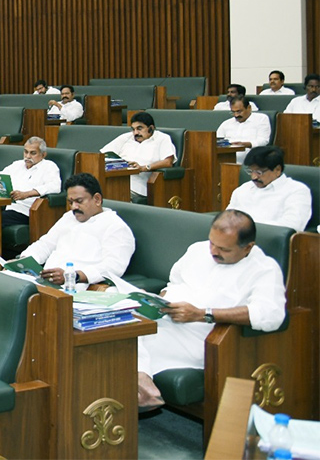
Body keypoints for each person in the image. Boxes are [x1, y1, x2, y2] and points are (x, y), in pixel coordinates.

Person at [135, 210, 286, 410]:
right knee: (116, 320)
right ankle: (140, 378)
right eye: (212, 243)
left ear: (248, 248)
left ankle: (140, 380)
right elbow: (174, 282)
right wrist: (156, 301)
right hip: (166, 320)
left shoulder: (264, 269)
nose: (214, 251)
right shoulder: (198, 250)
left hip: (202, 337)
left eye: (224, 249)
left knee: (124, 339)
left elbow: (270, 315)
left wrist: (203, 314)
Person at [19, 173, 135, 289]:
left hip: (77, 287)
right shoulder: (69, 217)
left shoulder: (115, 226)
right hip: (45, 281)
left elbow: (113, 267)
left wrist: (73, 276)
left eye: (79, 201)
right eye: (70, 202)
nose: (74, 207)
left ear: (97, 199)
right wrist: (23, 261)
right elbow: (45, 245)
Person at [224, 146, 311, 232]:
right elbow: (227, 218)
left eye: (259, 172)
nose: (254, 177)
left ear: (277, 170)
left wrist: (248, 227)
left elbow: (292, 227)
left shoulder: (297, 191)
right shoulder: (243, 189)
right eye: (251, 171)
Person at [100, 111, 176, 203]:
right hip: (116, 180)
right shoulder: (126, 137)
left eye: (139, 128)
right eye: (133, 129)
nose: (136, 133)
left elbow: (168, 162)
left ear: (151, 128)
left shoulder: (162, 138)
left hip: (140, 186)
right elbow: (103, 154)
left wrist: (144, 168)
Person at [0, 137, 62, 229]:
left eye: (33, 153)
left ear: (43, 155)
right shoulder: (17, 164)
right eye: (26, 152)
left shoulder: (49, 166)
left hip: (27, 211)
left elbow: (55, 186)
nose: (28, 156)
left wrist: (27, 194)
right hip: (7, 205)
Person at [216, 96, 271, 164]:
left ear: (249, 108)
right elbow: (217, 140)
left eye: (239, 111)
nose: (236, 115)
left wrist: (246, 144)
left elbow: (263, 140)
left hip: (251, 159)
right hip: (226, 159)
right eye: (233, 112)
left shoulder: (261, 119)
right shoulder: (226, 123)